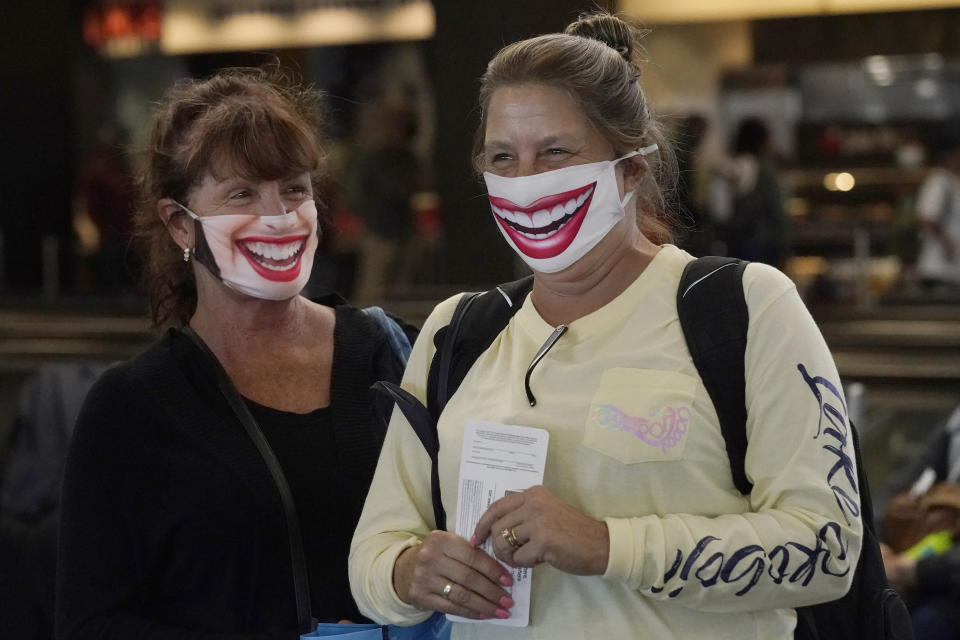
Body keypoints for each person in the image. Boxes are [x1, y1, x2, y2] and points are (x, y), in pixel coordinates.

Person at [350, 12, 862, 640]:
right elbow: (375, 551)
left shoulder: (744, 307)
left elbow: (827, 547)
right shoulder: (457, 330)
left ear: (631, 167)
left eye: (557, 152)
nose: (526, 183)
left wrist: (605, 546)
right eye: (503, 157)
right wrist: (408, 573)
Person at [56, 67, 410, 639]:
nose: (278, 217)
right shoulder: (131, 410)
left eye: (294, 189)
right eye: (242, 193)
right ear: (179, 225)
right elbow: (91, 622)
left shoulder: (391, 354)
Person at [881, 402, 960, 640]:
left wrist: (914, 571)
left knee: (925, 623)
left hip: (944, 588)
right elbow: (900, 485)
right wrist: (877, 544)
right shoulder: (955, 425)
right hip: (921, 569)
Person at [709, 117, 788, 267]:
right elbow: (775, 210)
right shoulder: (763, 170)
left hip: (733, 244)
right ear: (761, 141)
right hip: (763, 246)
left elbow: (718, 211)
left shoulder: (727, 167)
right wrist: (784, 245)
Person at [914, 126, 960, 293]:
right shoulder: (938, 181)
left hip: (953, 271)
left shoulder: (953, 182)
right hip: (938, 268)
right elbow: (926, 217)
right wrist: (946, 244)